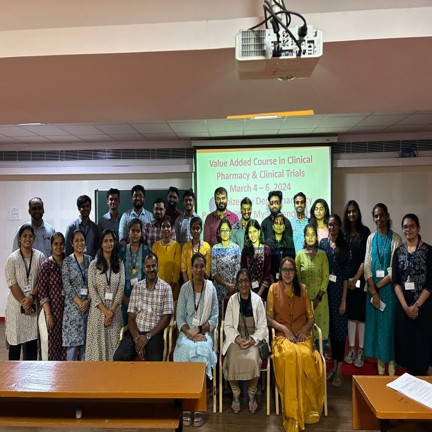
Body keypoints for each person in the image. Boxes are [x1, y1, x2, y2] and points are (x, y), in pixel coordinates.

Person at [266, 256, 324, 432]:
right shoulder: (273, 289)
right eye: (285, 270)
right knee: (290, 355)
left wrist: (305, 330)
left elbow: (311, 317)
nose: (287, 273)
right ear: (280, 272)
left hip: (302, 336)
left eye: (290, 270)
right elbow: (268, 318)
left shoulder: (303, 290)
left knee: (306, 356)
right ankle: (292, 413)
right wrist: (284, 329)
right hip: (282, 337)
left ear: (295, 273)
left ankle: (307, 411)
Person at [174, 253, 219, 428]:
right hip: (186, 334)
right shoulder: (185, 288)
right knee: (185, 352)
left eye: (202, 266)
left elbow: (214, 318)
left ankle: (199, 407)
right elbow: (179, 318)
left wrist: (199, 330)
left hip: (204, 333)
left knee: (201, 352)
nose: (199, 270)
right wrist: (190, 333)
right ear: (191, 268)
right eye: (196, 266)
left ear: (205, 268)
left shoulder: (211, 289)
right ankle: (187, 406)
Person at [113, 252, 174, 361]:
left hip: (154, 335)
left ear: (157, 267)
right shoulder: (137, 287)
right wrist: (137, 339)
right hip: (136, 333)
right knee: (119, 356)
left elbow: (166, 318)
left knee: (155, 360)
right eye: (148, 266)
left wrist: (147, 337)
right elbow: (131, 317)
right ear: (144, 269)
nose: (151, 269)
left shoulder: (166, 288)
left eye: (153, 266)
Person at [364, 203, 402, 376]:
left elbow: (394, 270)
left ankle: (392, 371)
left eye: (381, 215)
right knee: (376, 328)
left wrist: (377, 288)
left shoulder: (396, 239)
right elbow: (367, 264)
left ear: (387, 216)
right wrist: (373, 290)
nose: (379, 218)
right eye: (376, 216)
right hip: (373, 291)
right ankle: (380, 372)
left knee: (389, 329)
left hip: (388, 291)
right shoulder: (371, 238)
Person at [222, 268, 267, 414]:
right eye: (240, 281)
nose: (243, 284)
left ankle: (252, 394)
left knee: (253, 360)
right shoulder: (232, 301)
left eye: (246, 280)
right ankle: (236, 394)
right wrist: (237, 338)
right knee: (232, 360)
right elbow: (228, 325)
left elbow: (263, 326)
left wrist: (253, 340)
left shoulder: (257, 300)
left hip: (253, 339)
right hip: (236, 338)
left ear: (250, 282)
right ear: (237, 283)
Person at [392, 214, 432, 376]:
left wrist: (415, 307)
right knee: (406, 349)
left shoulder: (428, 251)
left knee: (421, 350)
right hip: (403, 308)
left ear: (418, 228)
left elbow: (431, 283)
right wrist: (406, 308)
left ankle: (422, 384)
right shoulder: (398, 252)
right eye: (405, 227)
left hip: (423, 308)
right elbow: (395, 282)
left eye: (412, 226)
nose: (408, 229)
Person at [5, 224, 45, 360]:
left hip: (33, 307)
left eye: (30, 236)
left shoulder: (40, 257)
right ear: (19, 239)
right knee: (15, 344)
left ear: (34, 238)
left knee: (32, 344)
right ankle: (12, 373)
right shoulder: (12, 259)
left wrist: (31, 297)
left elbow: (41, 280)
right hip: (16, 308)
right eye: (24, 236)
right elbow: (12, 283)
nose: (27, 239)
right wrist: (25, 303)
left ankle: (30, 372)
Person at [320, 214, 350, 387]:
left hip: (339, 294)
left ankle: (339, 370)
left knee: (339, 334)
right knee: (330, 331)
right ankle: (333, 368)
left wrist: (344, 300)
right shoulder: (323, 244)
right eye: (329, 225)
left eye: (335, 224)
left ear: (339, 226)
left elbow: (346, 277)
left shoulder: (344, 247)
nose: (332, 227)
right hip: (325, 294)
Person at [86, 229, 125, 361]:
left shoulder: (119, 264)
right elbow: (92, 290)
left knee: (114, 349)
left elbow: (121, 288)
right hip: (98, 313)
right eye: (106, 241)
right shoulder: (93, 265)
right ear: (101, 244)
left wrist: (111, 312)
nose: (109, 244)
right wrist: (105, 312)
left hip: (115, 314)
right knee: (97, 352)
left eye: (111, 241)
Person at [342, 200, 371, 368]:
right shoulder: (343, 233)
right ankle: (352, 349)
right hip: (347, 281)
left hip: (361, 280)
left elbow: (365, 259)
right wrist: (348, 279)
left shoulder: (365, 232)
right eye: (349, 212)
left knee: (362, 316)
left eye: (354, 211)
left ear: (358, 213)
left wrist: (355, 279)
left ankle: (361, 351)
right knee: (351, 316)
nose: (351, 214)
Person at [295, 224, 330, 347]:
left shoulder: (323, 254)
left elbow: (326, 277)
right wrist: (305, 299)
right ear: (304, 237)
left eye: (313, 235)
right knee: (306, 334)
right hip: (304, 299)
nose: (310, 237)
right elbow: (297, 278)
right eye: (308, 235)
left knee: (320, 332)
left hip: (321, 300)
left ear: (316, 237)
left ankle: (321, 356)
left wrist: (318, 298)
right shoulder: (299, 255)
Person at [62, 229, 92, 360]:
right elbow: (67, 286)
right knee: (72, 348)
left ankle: (84, 373)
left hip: (88, 309)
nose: (80, 243)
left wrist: (87, 302)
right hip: (73, 310)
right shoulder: (67, 262)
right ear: (72, 243)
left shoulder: (90, 260)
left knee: (86, 346)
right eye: (77, 240)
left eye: (82, 240)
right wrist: (80, 303)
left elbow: (93, 284)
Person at [37, 232, 66, 361]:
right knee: (49, 348)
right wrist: (48, 315)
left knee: (64, 348)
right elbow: (42, 292)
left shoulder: (68, 263)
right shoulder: (46, 266)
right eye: (55, 244)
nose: (58, 247)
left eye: (61, 244)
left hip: (66, 313)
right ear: (51, 246)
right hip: (50, 313)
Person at [119, 218, 150, 325]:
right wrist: (124, 298)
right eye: (133, 230)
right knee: (125, 326)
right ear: (128, 232)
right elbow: (118, 275)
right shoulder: (122, 251)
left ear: (141, 233)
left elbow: (148, 276)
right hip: (125, 297)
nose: (135, 234)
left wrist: (139, 298)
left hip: (142, 296)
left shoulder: (146, 250)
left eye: (138, 231)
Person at [152, 215, 182, 300]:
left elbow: (177, 270)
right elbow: (153, 268)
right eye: (163, 226)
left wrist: (169, 289)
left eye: (168, 226)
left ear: (172, 229)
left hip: (173, 289)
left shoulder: (177, 246)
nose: (165, 229)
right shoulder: (155, 246)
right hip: (158, 288)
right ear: (160, 228)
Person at [211, 219, 241, 303]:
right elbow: (214, 272)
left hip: (233, 290)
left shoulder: (236, 248)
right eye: (222, 230)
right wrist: (226, 285)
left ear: (230, 232)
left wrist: (232, 286)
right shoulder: (215, 248)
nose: (225, 233)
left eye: (227, 230)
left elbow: (238, 270)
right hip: (219, 290)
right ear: (219, 233)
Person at [241, 219, 271, 300]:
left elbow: (267, 276)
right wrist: (250, 293)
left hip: (263, 293)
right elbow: (243, 273)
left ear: (259, 232)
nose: (252, 235)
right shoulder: (245, 251)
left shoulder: (266, 250)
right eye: (250, 232)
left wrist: (258, 296)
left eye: (254, 231)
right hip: (247, 292)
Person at [265, 212, 295, 283]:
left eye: (281, 223)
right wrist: (273, 284)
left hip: (287, 279)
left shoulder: (289, 241)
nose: (279, 226)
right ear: (273, 226)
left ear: (284, 226)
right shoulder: (268, 242)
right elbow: (267, 266)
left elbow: (292, 262)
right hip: (271, 280)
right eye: (276, 223)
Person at [181, 216, 211, 283]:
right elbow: (183, 269)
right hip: (188, 283)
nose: (195, 231)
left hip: (203, 283)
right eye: (193, 228)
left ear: (201, 230)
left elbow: (207, 270)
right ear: (190, 230)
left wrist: (201, 285)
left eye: (198, 228)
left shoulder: (206, 247)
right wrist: (188, 286)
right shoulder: (185, 246)